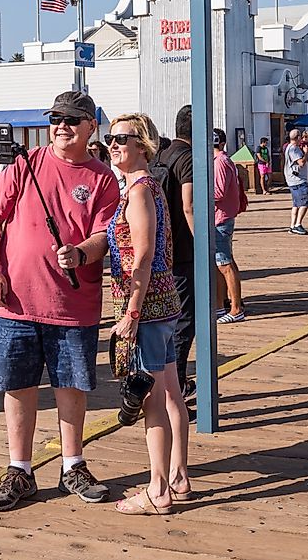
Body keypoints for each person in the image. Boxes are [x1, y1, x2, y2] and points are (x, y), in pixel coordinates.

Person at [0, 91, 121, 512]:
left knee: (71, 386)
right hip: (14, 304)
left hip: (72, 305)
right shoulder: (26, 164)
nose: (61, 126)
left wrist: (79, 253)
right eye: (56, 118)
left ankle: (72, 465)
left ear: (91, 126)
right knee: (17, 386)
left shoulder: (103, 179)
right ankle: (19, 470)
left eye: (72, 120)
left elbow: (104, 238)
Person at [103, 113, 190, 514]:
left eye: (123, 138)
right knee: (170, 390)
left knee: (152, 397)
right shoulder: (145, 186)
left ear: (144, 145)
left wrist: (132, 312)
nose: (114, 144)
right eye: (110, 137)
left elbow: (143, 255)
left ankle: (158, 489)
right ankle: (178, 476)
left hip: (148, 306)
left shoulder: (138, 191)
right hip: (163, 301)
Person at [151, 106, 197, 395]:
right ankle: (176, 387)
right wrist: (204, 247)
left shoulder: (162, 156)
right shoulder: (188, 159)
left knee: (168, 320)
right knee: (184, 321)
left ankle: (170, 384)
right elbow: (189, 206)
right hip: (184, 252)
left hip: (162, 251)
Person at [212, 129, 245, 324]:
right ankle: (220, 306)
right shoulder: (225, 160)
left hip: (220, 218)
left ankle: (235, 308)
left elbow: (218, 192)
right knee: (220, 263)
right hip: (222, 217)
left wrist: (198, 192)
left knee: (224, 263)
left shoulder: (219, 163)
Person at [284, 129, 308, 234]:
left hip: (293, 180)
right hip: (298, 180)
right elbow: (301, 163)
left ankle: (292, 225)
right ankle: (298, 224)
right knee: (305, 203)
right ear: (298, 137)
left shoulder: (289, 147)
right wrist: (306, 153)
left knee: (296, 204)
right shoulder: (293, 149)